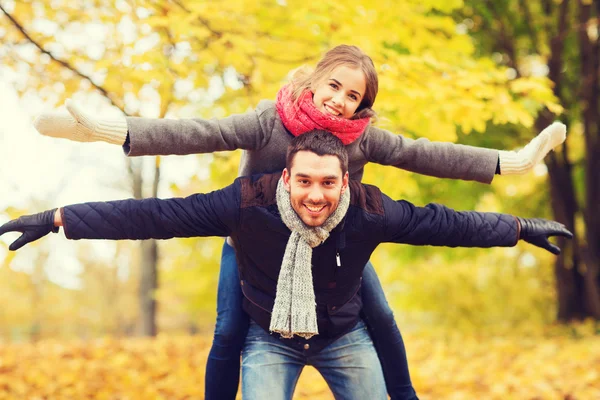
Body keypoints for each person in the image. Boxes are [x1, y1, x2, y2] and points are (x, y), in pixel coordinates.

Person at [32, 45, 567, 399]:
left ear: (362, 106)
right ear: (315, 79)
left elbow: (427, 157)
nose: (339, 100)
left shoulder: (362, 142)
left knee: (378, 316)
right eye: (334, 85)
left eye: (353, 95)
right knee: (227, 330)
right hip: (254, 238)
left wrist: (508, 162)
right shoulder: (268, 122)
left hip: (334, 248)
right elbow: (196, 134)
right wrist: (111, 131)